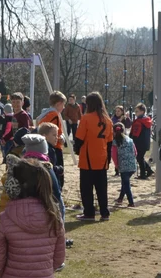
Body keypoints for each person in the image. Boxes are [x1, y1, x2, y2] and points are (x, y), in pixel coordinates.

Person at [74, 92, 113, 221]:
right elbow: (109, 142)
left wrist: (77, 150)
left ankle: (89, 213)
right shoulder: (108, 120)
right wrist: (108, 158)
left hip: (88, 158)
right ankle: (104, 213)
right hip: (102, 158)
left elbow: (79, 138)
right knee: (102, 188)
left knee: (86, 188)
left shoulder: (86, 118)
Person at [40, 92, 67, 182]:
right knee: (58, 175)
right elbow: (53, 131)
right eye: (63, 105)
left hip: (47, 147)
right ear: (58, 104)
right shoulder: (54, 115)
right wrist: (60, 138)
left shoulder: (45, 113)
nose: (64, 107)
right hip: (55, 148)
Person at [111, 123, 137, 208]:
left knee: (126, 184)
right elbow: (135, 152)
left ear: (114, 132)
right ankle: (120, 198)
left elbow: (114, 155)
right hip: (132, 165)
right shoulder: (130, 139)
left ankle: (131, 202)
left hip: (123, 166)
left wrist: (116, 165)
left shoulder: (115, 142)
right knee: (125, 182)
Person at [129, 103, 153, 179]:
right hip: (145, 142)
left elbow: (135, 133)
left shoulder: (138, 122)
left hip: (138, 143)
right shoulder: (147, 120)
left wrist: (131, 139)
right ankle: (148, 170)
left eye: (137, 111)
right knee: (140, 157)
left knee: (139, 158)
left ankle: (144, 173)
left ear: (142, 111)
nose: (135, 113)